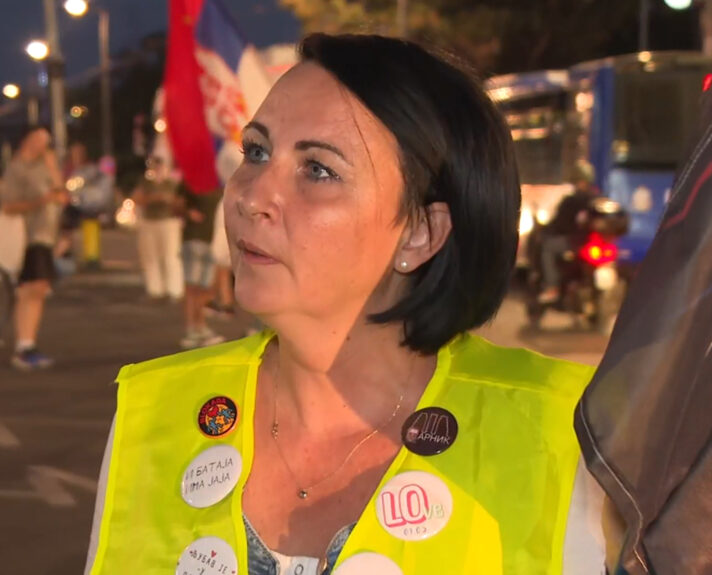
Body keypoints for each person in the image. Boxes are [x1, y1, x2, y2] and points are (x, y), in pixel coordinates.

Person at [85, 34, 607, 574]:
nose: (251, 195)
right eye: (257, 151)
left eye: (318, 170)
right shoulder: (154, 413)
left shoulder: (559, 434)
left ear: (420, 234)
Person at [0, 126, 67, 370]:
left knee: (37, 289)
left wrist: (52, 168)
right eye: (39, 140)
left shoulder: (44, 167)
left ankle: (27, 343)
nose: (43, 146)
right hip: (28, 235)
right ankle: (24, 344)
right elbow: (8, 205)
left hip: (46, 235)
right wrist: (40, 201)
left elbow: (61, 194)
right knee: (33, 288)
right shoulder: (17, 168)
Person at [537, 160, 598, 304]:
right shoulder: (597, 199)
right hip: (590, 243)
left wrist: (545, 230)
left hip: (575, 243)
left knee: (547, 247)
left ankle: (552, 287)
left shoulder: (571, 201)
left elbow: (559, 224)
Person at [131, 156, 184, 302]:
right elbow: (136, 198)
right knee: (150, 257)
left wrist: (168, 199)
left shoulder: (172, 183)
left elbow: (180, 201)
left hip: (168, 221)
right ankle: (155, 290)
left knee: (171, 256)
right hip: (150, 221)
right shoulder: (145, 183)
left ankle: (174, 290)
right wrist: (152, 199)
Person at [179, 185, 226, 349]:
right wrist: (188, 212)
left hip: (210, 242)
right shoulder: (194, 182)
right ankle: (192, 328)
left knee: (205, 289)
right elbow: (178, 203)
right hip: (195, 240)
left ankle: (199, 326)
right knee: (193, 287)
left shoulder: (220, 185)